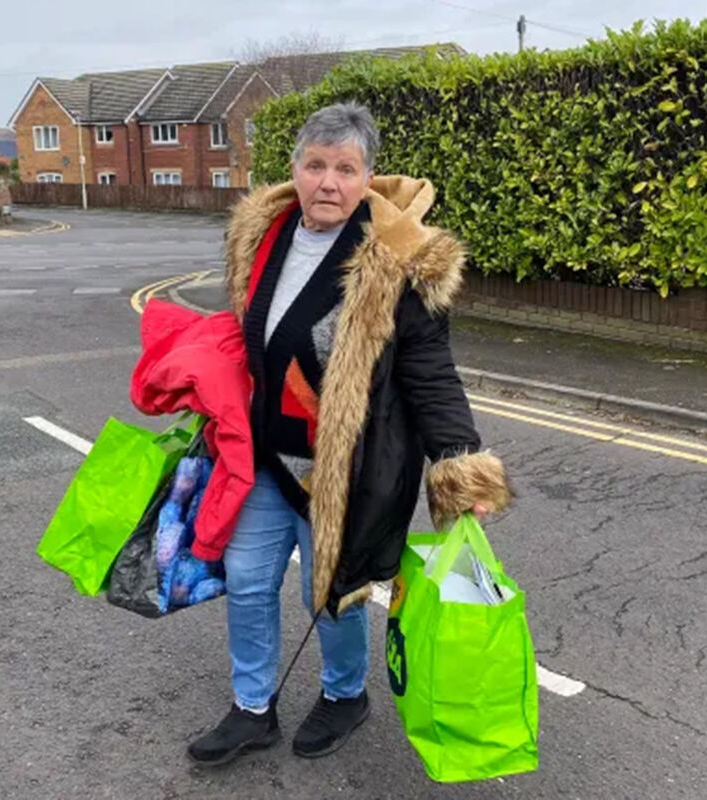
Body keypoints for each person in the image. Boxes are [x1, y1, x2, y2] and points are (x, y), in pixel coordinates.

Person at [187, 102, 511, 766]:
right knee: (247, 581)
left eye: (345, 168)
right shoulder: (263, 233)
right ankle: (252, 708)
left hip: (346, 468)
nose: (328, 183)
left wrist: (459, 464)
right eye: (315, 165)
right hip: (264, 459)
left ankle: (344, 695)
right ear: (295, 169)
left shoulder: (398, 260)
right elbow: (255, 340)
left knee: (335, 593)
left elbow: (431, 373)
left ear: (367, 177)